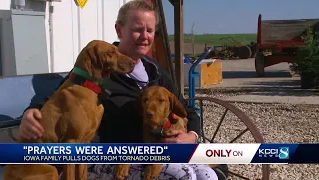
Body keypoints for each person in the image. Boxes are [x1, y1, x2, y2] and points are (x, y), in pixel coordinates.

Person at [18, 0, 224, 179]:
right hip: (113, 159)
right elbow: (58, 98)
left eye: (150, 30)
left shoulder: (156, 72)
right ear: (119, 30)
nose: (145, 36)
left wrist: (191, 136)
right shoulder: (98, 68)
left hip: (155, 151)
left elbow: (186, 109)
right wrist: (30, 113)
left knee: (210, 174)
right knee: (185, 175)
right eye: (137, 29)